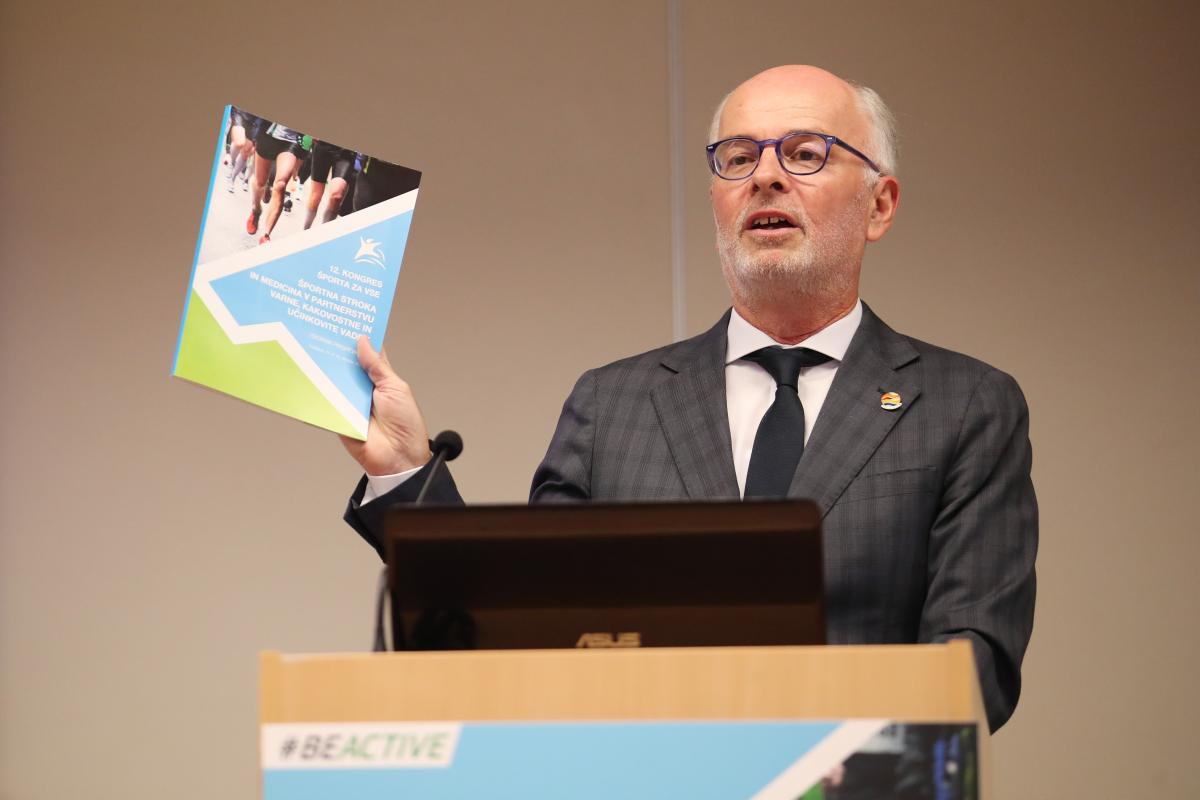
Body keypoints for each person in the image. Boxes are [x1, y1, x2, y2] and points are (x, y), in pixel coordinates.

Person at [338, 65, 1037, 733]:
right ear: (716, 203)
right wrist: (404, 473)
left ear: (878, 206)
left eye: (805, 154)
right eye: (738, 158)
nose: (765, 176)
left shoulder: (964, 405)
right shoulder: (613, 405)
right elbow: (523, 638)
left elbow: (974, 668)